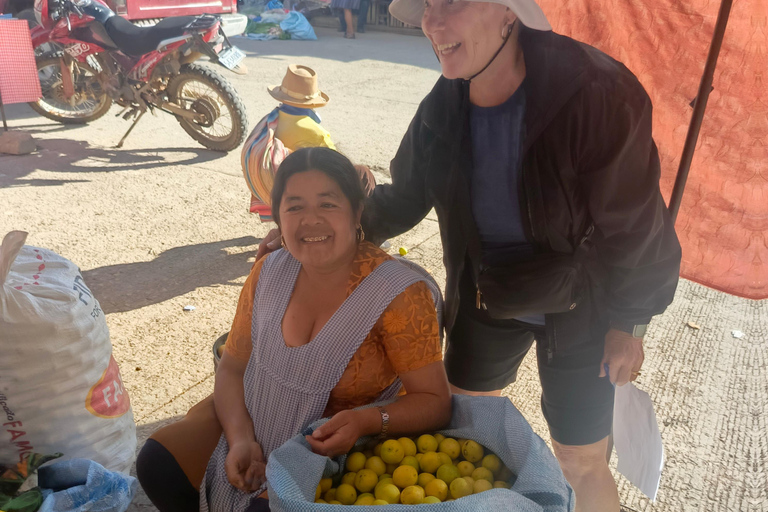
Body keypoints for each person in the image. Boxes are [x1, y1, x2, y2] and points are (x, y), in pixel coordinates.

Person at [258, 0, 682, 510]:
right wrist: (319, 229)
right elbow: (403, 198)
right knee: (460, 430)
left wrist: (630, 323)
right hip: (485, 291)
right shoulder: (443, 107)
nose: (433, 23)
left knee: (580, 460)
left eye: (453, 3)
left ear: (509, 13)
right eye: (427, 6)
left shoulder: (596, 93)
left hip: (584, 305)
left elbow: (636, 225)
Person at [136, 147, 452, 512]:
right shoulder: (268, 273)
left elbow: (435, 403)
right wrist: (240, 439)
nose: (311, 220)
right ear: (278, 218)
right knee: (158, 465)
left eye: (328, 205)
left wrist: (367, 420)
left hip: (331, 447)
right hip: (257, 418)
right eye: (295, 206)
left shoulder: (399, 295)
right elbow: (234, 368)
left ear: (357, 212)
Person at [244, 64, 374, 220]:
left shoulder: (271, 120)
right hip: (303, 193)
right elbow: (340, 168)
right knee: (362, 173)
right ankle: (367, 230)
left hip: (274, 190)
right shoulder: (313, 131)